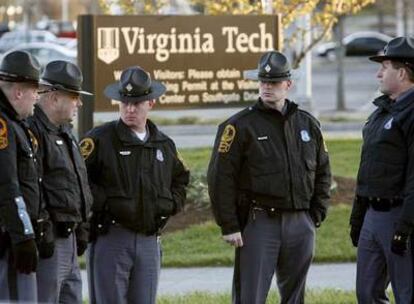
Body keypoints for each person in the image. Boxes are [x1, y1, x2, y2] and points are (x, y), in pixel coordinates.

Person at [207, 50, 331, 304]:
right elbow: (220, 177)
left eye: (273, 82)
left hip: (301, 222)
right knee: (249, 296)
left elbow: (322, 171)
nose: (267, 87)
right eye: (263, 82)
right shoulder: (239, 126)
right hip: (260, 222)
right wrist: (229, 224)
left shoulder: (307, 124)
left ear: (288, 84)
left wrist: (315, 214)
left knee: (295, 297)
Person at [80, 65, 190, 304]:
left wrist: (170, 204)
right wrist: (107, 204)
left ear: (150, 103)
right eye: (124, 103)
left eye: (137, 103)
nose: (129, 109)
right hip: (112, 238)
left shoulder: (163, 144)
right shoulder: (99, 140)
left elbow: (180, 179)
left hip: (150, 242)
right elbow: (80, 180)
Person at [349, 36, 414, 303]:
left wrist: (405, 226)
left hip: (400, 215)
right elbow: (368, 168)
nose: (378, 74)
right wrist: (358, 216)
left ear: (401, 72)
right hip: (373, 216)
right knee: (367, 293)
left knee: (407, 293)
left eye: (384, 67)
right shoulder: (382, 112)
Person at [27, 60, 93, 303]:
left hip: (71, 238)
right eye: (75, 96)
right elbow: (32, 186)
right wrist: (44, 231)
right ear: (54, 98)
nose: (80, 103)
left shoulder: (65, 132)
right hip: (50, 243)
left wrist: (83, 227)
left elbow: (78, 182)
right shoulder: (33, 132)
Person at [0, 51, 42, 302]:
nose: (37, 97)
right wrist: (23, 236)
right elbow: (6, 185)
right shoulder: (4, 125)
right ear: (18, 92)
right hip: (8, 240)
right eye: (34, 90)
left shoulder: (14, 123)